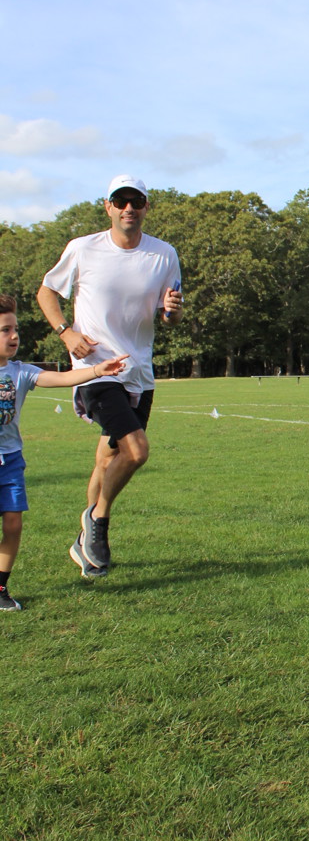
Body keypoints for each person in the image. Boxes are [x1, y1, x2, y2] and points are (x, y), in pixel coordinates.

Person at [36, 175, 183, 580]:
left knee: (107, 457)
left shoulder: (164, 254)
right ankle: (98, 521)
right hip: (96, 369)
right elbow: (47, 292)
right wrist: (66, 332)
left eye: (136, 201)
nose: (128, 208)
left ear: (146, 206)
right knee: (136, 452)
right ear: (108, 207)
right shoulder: (83, 248)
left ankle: (86, 542)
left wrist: (172, 311)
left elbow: (170, 316)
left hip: (139, 372)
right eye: (120, 201)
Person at [0, 295, 127, 609]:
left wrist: (98, 370)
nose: (14, 336)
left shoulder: (20, 372)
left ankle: (0, 588)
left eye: (15, 329)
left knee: (13, 524)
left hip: (10, 461)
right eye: (5, 330)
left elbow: (63, 377)